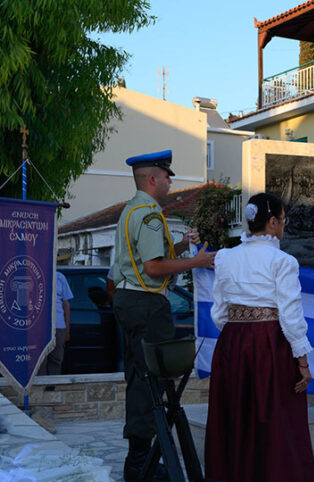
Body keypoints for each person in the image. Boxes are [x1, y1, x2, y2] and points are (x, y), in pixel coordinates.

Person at [111, 149, 215, 481]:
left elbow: (145, 261)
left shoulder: (132, 211)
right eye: (167, 175)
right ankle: (140, 462)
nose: (171, 181)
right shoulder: (150, 216)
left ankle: (140, 459)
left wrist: (182, 246)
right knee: (150, 384)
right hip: (146, 304)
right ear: (152, 178)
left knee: (141, 379)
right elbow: (154, 268)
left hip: (131, 300)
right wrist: (197, 261)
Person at [205, 192, 314, 482]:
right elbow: (291, 316)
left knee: (236, 414)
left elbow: (218, 312)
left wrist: (238, 332)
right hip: (269, 344)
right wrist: (302, 362)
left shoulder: (225, 257)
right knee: (275, 417)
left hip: (232, 343)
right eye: (282, 220)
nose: (283, 225)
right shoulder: (283, 261)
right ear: (271, 222)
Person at [39, 271, 73, 375]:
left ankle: (53, 387)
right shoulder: (35, 274)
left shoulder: (60, 277)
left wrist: (67, 329)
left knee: (57, 358)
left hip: (58, 326)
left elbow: (66, 304)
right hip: (40, 327)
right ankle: (41, 388)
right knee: (40, 360)